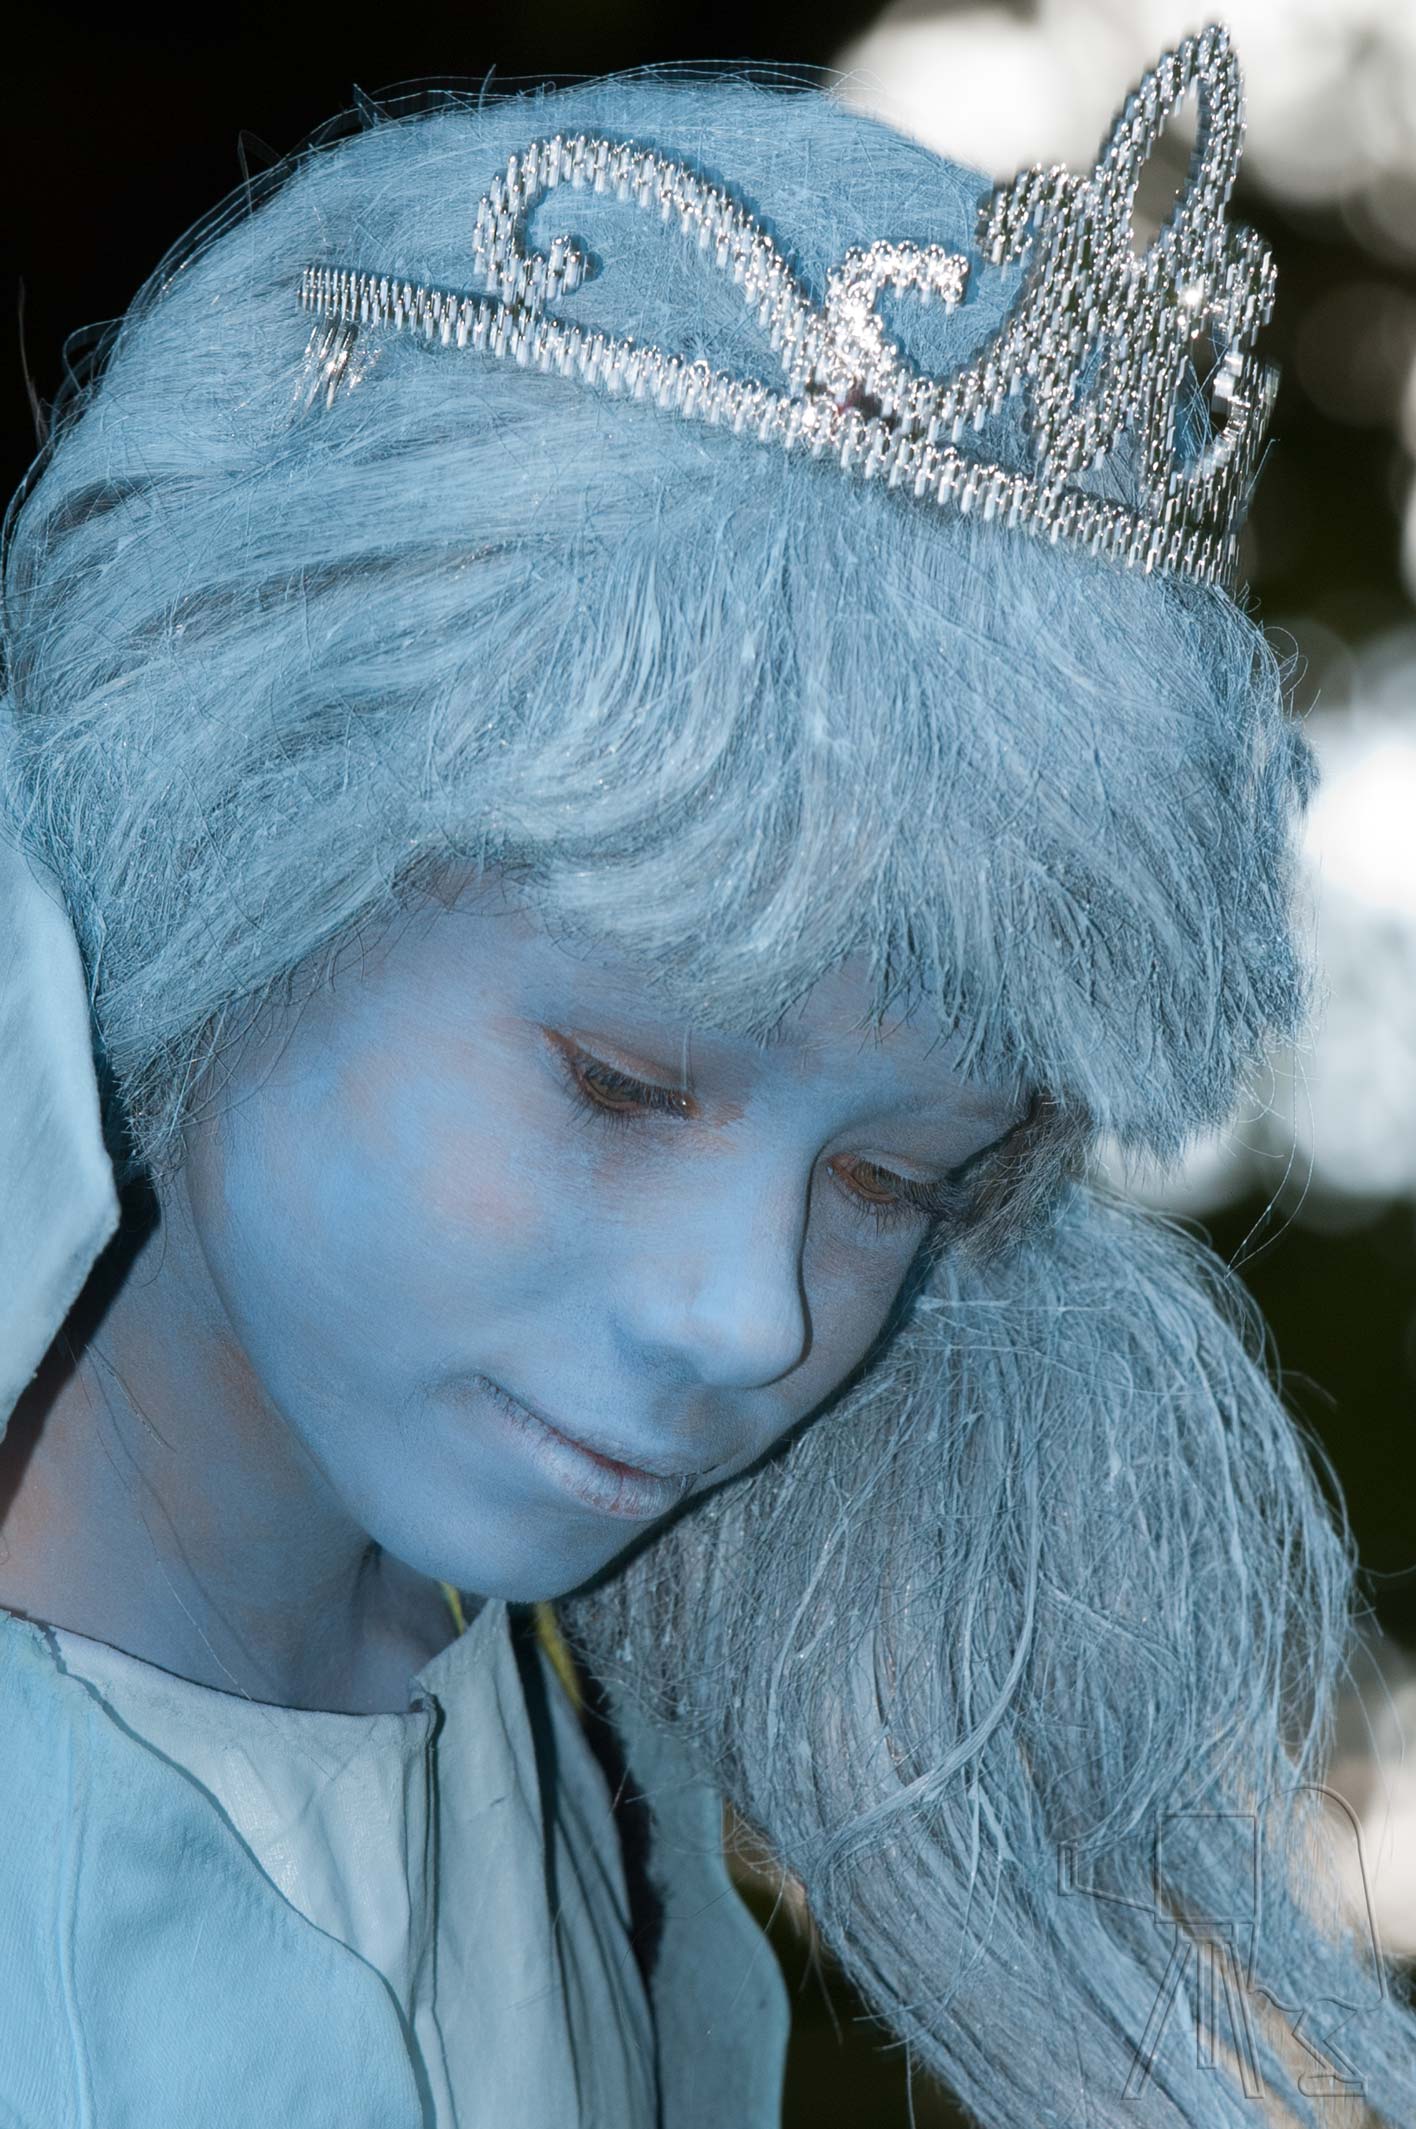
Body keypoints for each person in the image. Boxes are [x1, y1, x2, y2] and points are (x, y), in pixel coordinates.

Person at [1, 24, 1411, 2127]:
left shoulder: (613, 1839)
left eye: (898, 1185)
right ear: (229, 834)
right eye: (616, 1083)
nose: (751, 1314)